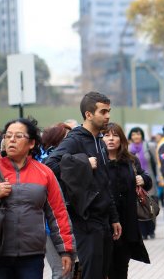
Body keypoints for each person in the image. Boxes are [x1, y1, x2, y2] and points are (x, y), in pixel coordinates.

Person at [46, 92, 122, 279]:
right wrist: (84, 163)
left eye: (109, 111)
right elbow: (50, 165)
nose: (108, 116)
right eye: (103, 112)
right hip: (86, 221)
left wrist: (114, 217)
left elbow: (104, 182)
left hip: (103, 220)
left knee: (103, 273)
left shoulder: (99, 141)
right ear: (88, 115)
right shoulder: (75, 139)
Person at [0, 118, 75, 279]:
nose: (11, 140)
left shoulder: (44, 173)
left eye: (18, 136)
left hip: (31, 256)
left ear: (31, 143)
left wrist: (66, 250)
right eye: (8, 135)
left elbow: (58, 214)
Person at [102, 123, 151, 278]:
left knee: (122, 267)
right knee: (107, 267)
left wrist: (142, 179)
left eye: (115, 135)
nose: (110, 139)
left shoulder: (131, 160)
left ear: (121, 139)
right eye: (106, 135)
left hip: (128, 222)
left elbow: (147, 180)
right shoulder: (97, 161)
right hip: (106, 222)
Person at [39, 123, 74, 279]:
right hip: (50, 225)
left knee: (69, 270)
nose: (71, 141)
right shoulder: (47, 162)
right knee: (62, 271)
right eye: (67, 137)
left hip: (68, 222)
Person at [128, 127, 158, 240]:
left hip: (148, 179)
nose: (136, 136)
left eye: (138, 134)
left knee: (150, 204)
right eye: (134, 134)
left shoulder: (149, 146)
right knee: (138, 205)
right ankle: (143, 232)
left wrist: (157, 178)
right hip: (135, 182)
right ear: (130, 137)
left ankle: (151, 230)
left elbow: (156, 163)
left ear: (142, 136)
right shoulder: (128, 149)